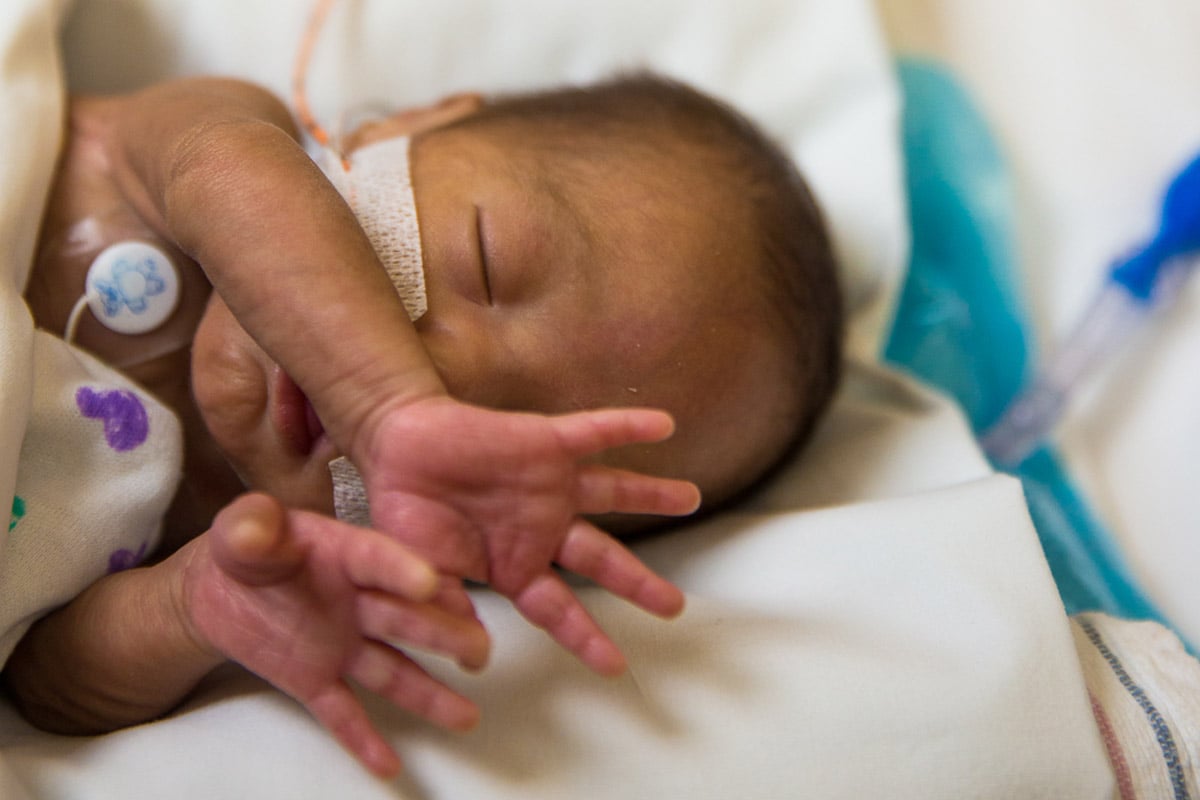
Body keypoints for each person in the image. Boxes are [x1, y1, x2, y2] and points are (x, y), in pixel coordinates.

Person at [3, 72, 842, 777]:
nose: (447, 380)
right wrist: (384, 403)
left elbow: (43, 682)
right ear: (402, 127)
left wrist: (195, 609)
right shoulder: (212, 139)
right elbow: (218, 168)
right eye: (486, 262)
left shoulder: (241, 538)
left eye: (500, 437)